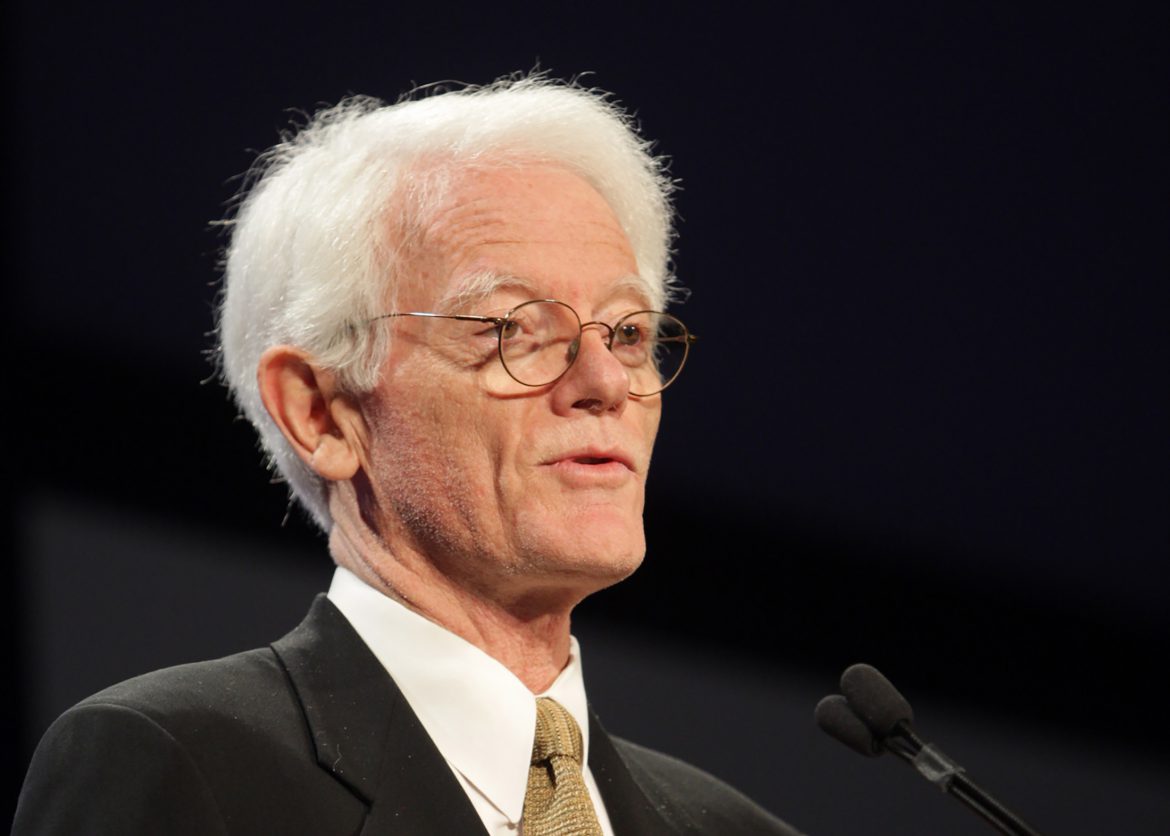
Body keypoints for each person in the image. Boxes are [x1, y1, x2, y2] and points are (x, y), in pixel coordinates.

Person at [14, 76, 802, 835]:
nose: (603, 382)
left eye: (627, 332)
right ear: (320, 412)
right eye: (510, 330)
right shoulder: (182, 768)